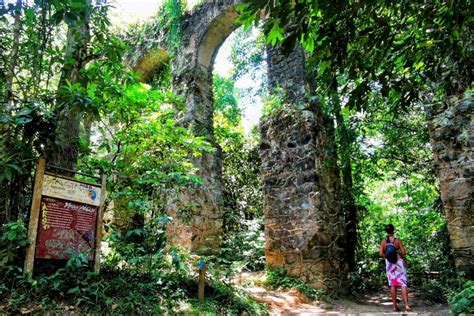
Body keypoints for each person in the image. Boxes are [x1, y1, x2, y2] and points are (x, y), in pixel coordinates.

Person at [379, 224, 412, 312]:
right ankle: (406, 305)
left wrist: (388, 256)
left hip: (390, 264)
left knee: (393, 285)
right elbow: (404, 253)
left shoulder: (383, 241)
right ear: (393, 231)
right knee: (403, 283)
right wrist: (397, 254)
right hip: (399, 263)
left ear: (386, 231)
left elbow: (381, 254)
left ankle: (394, 307)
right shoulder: (397, 240)